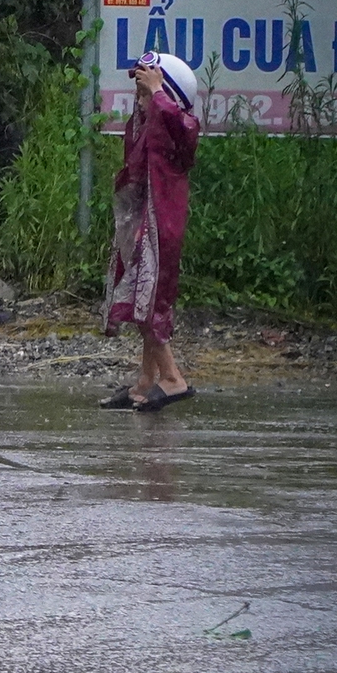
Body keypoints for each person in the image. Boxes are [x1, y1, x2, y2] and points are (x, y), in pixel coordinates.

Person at [101, 51, 201, 412]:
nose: (140, 101)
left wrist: (158, 92)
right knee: (139, 296)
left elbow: (177, 128)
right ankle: (146, 380)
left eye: (147, 94)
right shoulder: (148, 126)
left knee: (149, 301)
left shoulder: (182, 127)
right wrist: (150, 96)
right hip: (142, 221)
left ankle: (173, 378)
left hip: (161, 226)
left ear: (168, 96)